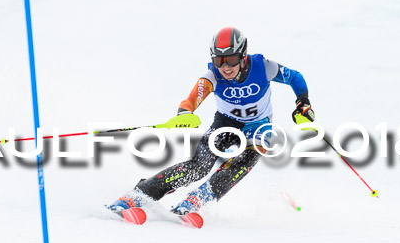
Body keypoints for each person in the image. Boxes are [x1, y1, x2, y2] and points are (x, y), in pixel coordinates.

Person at [107, 27, 315, 216]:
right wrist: (184, 115)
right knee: (199, 166)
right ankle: (140, 194)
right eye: (219, 60)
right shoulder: (212, 76)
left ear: (243, 55)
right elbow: (190, 100)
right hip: (226, 124)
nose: (225, 66)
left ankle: (197, 199)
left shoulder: (263, 67)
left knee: (248, 158)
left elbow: (295, 77)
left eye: (231, 59)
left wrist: (302, 103)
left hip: (258, 125)